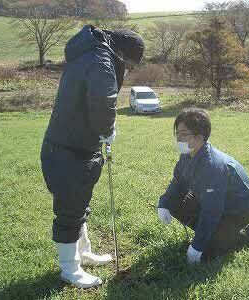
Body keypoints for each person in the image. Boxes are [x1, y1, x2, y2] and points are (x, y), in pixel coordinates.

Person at [40, 25, 144, 288]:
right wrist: (108, 131)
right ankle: (70, 269)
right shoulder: (102, 63)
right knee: (69, 211)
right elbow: (102, 103)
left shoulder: (92, 55)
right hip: (67, 150)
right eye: (130, 65)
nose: (128, 71)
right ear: (122, 54)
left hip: (73, 146)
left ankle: (83, 253)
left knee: (79, 204)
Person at [158, 108, 249, 264]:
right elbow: (178, 182)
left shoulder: (212, 167)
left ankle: (242, 234)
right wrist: (163, 203)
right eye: (177, 133)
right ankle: (211, 235)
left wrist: (197, 247)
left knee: (208, 254)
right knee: (174, 203)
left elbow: (212, 211)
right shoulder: (187, 154)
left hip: (237, 210)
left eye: (184, 134)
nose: (179, 138)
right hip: (210, 201)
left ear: (199, 137)